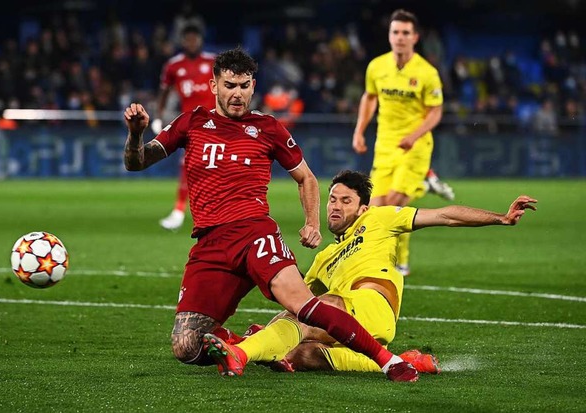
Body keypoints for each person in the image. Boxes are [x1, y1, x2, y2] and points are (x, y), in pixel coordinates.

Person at [124, 47, 420, 382]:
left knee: (304, 306)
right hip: (209, 244)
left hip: (254, 234)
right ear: (214, 86)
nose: (237, 94)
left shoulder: (268, 128)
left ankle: (390, 361)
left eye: (244, 86)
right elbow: (136, 163)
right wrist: (136, 134)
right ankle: (245, 344)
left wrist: (312, 223)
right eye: (230, 85)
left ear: (253, 86)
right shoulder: (191, 122)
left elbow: (306, 177)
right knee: (186, 346)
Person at [205, 170, 536, 375]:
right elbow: (295, 302)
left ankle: (242, 350)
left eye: (345, 201)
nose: (335, 206)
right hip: (352, 324)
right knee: (302, 354)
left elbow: (445, 214)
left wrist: (500, 218)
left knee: (317, 312)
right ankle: (403, 360)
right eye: (332, 199)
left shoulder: (378, 219)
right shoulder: (325, 257)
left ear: (362, 207)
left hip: (373, 306)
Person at [351, 9, 450, 276]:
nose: (400, 37)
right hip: (385, 145)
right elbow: (370, 97)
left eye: (406, 33)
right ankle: (423, 184)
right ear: (389, 35)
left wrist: (414, 135)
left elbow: (436, 111)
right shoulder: (377, 66)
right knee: (373, 209)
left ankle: (399, 261)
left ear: (415, 37)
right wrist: (359, 131)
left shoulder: (427, 72)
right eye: (396, 32)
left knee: (395, 201)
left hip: (416, 146)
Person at [155, 25, 216, 230]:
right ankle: (179, 211)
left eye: (195, 39)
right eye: (188, 39)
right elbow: (163, 93)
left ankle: (220, 211)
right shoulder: (174, 66)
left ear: (200, 40)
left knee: (219, 167)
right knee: (188, 167)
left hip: (217, 123)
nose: (192, 43)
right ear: (183, 42)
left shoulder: (213, 62)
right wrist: (158, 116)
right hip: (191, 124)